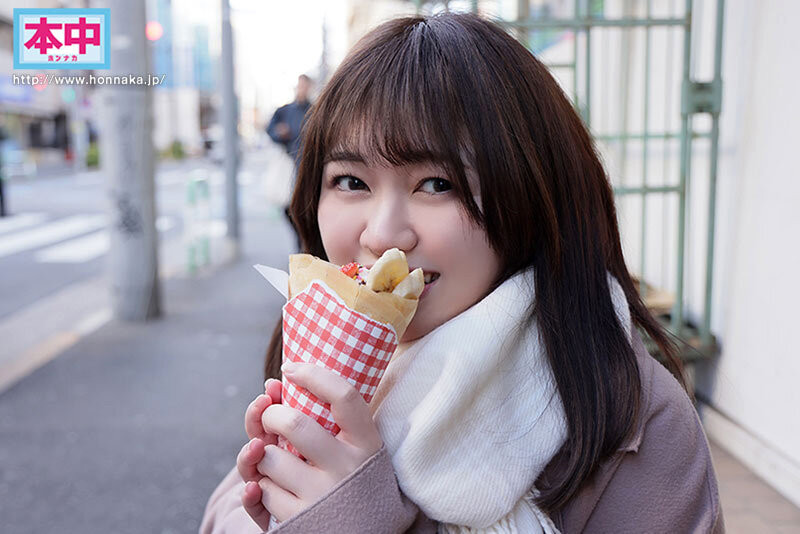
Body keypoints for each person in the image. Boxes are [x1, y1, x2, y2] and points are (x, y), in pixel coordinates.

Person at [200, 12, 724, 533]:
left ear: (530, 197)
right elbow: (225, 514)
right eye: (351, 182)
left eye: (437, 184)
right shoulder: (318, 352)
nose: (381, 236)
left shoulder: (635, 419)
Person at [266, 75, 313, 247]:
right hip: (289, 167)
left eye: (305, 86)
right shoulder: (284, 111)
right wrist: (279, 134)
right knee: (289, 208)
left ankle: (303, 243)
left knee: (306, 209)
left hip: (308, 167)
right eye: (300, 86)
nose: (302, 89)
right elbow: (270, 130)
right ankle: (300, 241)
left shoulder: (315, 110)